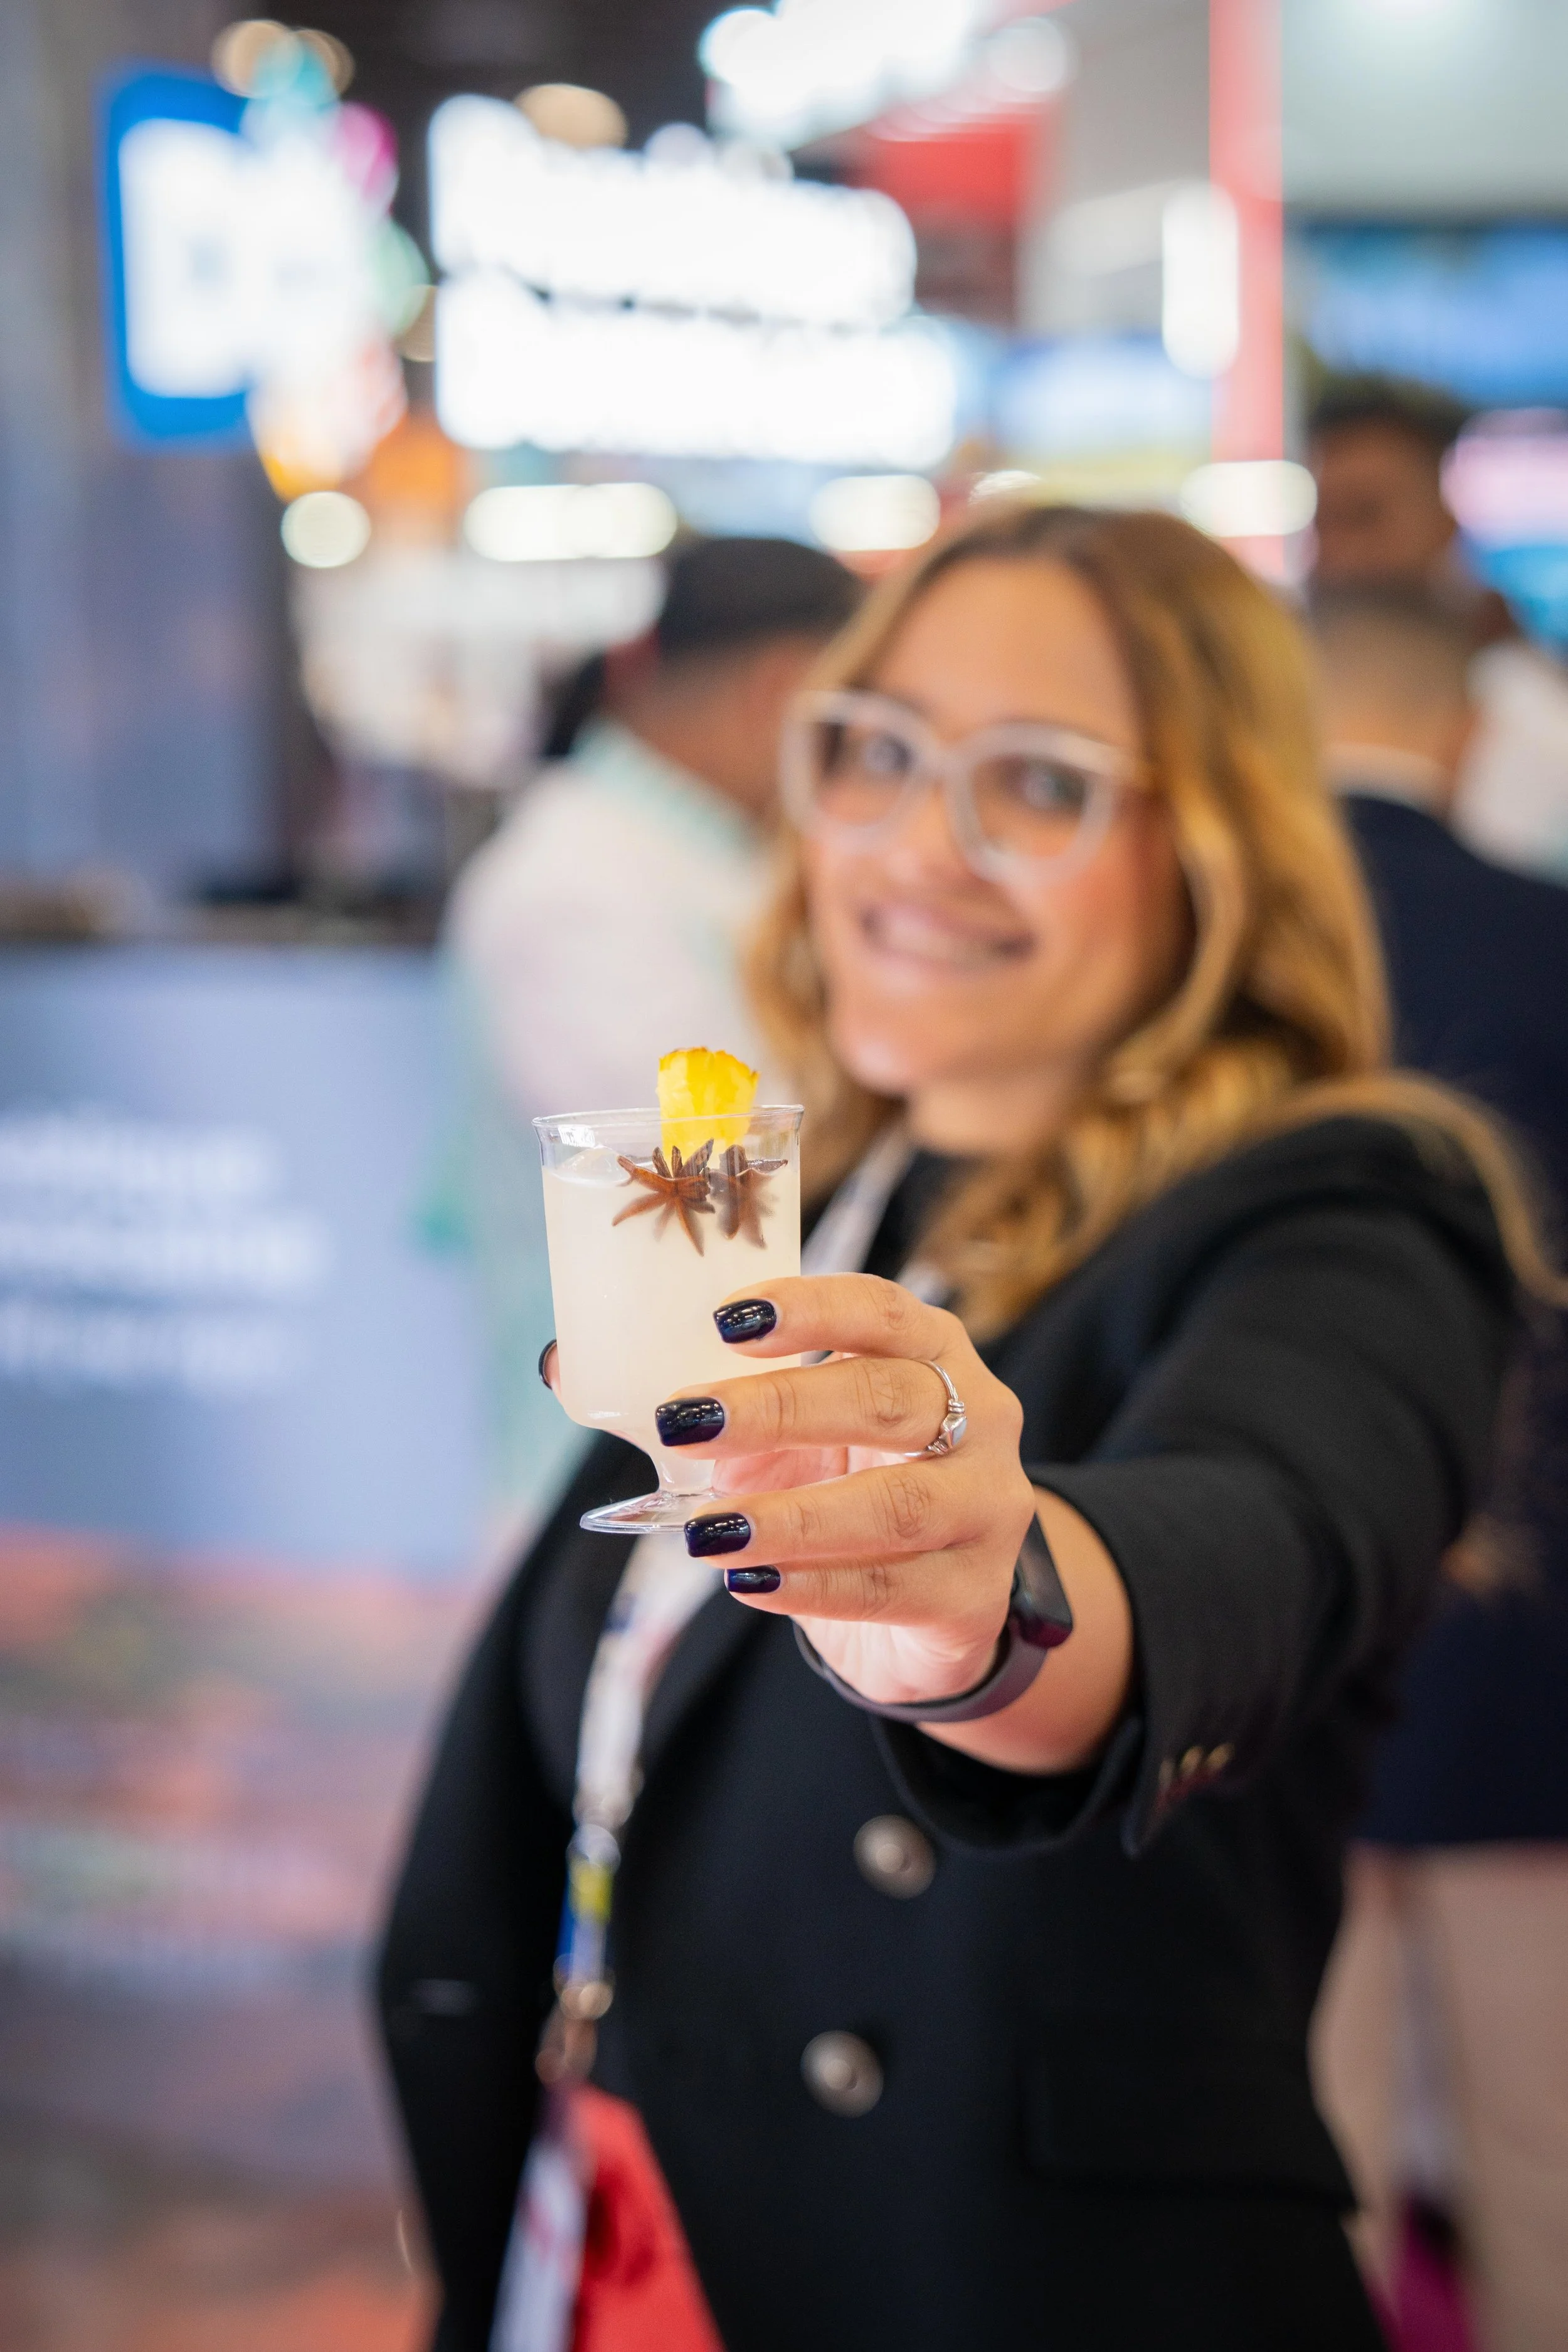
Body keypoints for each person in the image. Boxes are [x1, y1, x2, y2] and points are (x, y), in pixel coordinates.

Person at [380, 503, 1552, 2352]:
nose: (913, 843)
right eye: (871, 753)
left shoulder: (1341, 1205)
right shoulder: (822, 1201)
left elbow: (1251, 1521)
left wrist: (986, 1601)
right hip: (611, 2231)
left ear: (1213, 846)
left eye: (1035, 782)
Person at [1308, 583, 1568, 2351]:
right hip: (1533, 1567)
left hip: (1265, 1585)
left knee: (1289, 2116)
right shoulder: (1547, 932)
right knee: (1547, 2121)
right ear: (1465, 731)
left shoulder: (1204, 950)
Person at [435, 537, 862, 1534]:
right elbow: (710, 1172)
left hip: (732, 1447)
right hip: (615, 1468)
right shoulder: (577, 885)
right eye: (857, 729)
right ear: (782, 689)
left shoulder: (699, 853)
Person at [1308, 379, 1568, 881]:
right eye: (1325, 521)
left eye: (1367, 515)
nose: (1342, 552)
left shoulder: (1537, 718)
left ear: (1445, 521)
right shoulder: (1278, 700)